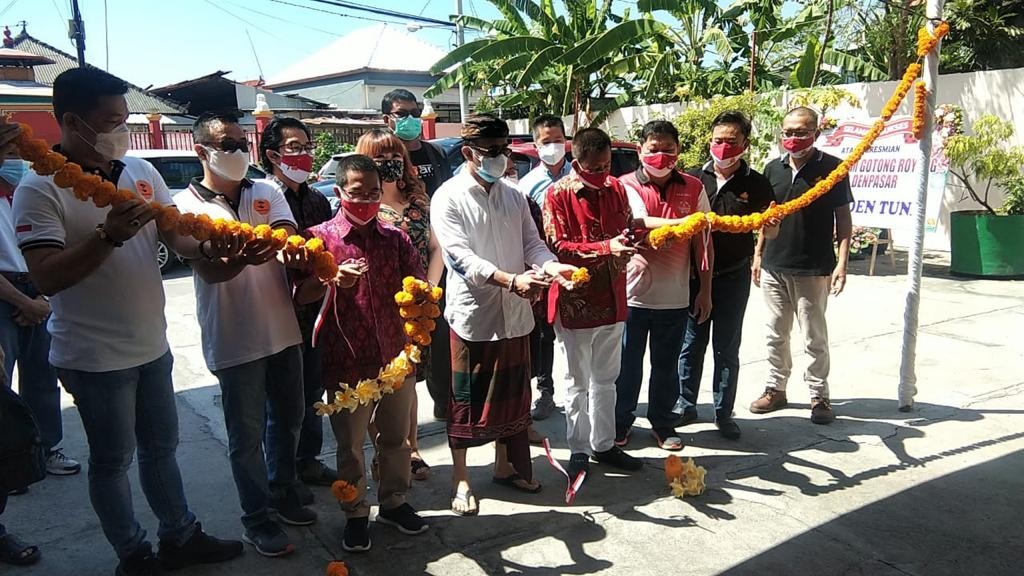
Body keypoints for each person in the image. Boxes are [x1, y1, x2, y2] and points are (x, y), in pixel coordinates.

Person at [12, 68, 242, 576]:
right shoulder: (40, 187)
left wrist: (212, 245)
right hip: (93, 358)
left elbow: (177, 238)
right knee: (112, 462)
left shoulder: (138, 169)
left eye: (125, 118)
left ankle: (180, 534)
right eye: (112, 120)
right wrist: (106, 237)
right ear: (73, 121)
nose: (122, 129)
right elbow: (47, 277)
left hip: (152, 346)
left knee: (162, 450)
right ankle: (134, 554)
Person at [174, 111, 315, 558]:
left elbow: (287, 237)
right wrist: (247, 254)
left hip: (281, 327)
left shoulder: (266, 190)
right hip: (233, 337)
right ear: (202, 151)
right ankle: (257, 517)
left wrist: (263, 246)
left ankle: (283, 489)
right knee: (246, 435)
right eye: (227, 144)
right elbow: (209, 269)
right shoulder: (184, 207)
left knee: (291, 418)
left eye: (241, 142)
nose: (238, 152)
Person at [432, 114, 577, 516]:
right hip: (473, 316)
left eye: (503, 151)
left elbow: (534, 244)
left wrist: (552, 267)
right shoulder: (447, 197)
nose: (499, 158)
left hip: (516, 313)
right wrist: (509, 281)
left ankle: (504, 466)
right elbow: (459, 257)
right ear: (468, 153)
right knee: (465, 401)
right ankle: (461, 478)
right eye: (490, 152)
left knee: (515, 397)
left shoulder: (514, 195)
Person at [296, 154, 429, 553]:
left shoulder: (395, 237)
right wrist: (331, 279)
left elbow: (418, 285)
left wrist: (423, 306)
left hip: (394, 357)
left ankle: (393, 501)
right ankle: (355, 512)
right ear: (339, 192)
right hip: (345, 361)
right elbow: (299, 296)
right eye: (357, 193)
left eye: (373, 193)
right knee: (350, 446)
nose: (367, 201)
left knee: (396, 439)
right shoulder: (317, 239)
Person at [543, 127, 643, 481]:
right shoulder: (556, 194)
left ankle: (604, 444)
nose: (602, 175)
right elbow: (556, 247)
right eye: (594, 169)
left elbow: (628, 228)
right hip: (576, 304)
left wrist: (631, 242)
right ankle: (579, 450)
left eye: (606, 166)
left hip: (614, 298)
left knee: (607, 380)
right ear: (577, 162)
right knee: (576, 383)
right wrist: (605, 248)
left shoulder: (617, 188)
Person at [750, 106, 853, 425]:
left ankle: (819, 395)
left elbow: (843, 219)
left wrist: (842, 263)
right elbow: (766, 217)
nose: (793, 138)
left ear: (816, 134)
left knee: (813, 336)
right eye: (788, 132)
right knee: (775, 333)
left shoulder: (834, 169)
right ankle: (776, 388)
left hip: (813, 267)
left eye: (801, 132)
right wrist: (758, 253)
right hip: (774, 266)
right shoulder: (772, 169)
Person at [614, 120, 712, 452]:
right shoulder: (624, 185)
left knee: (666, 367)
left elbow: (704, 242)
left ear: (678, 151)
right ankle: (620, 422)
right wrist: (683, 222)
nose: (660, 155)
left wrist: (705, 289)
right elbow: (637, 222)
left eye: (668, 149)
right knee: (626, 366)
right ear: (640, 150)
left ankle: (662, 422)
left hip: (675, 297)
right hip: (632, 296)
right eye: (653, 149)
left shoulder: (695, 187)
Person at [680, 111, 774, 440]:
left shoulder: (757, 183)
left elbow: (769, 229)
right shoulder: (692, 179)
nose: (722, 147)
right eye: (718, 140)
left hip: (734, 275)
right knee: (691, 343)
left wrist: (768, 235)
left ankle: (723, 412)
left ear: (745, 145)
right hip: (693, 275)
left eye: (730, 142)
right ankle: (685, 404)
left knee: (726, 346)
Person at [355, 129, 443, 481]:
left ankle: (412, 450)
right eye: (379, 158)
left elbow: (436, 249)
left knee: (409, 382)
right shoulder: (365, 207)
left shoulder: (420, 201)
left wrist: (428, 290)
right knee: (376, 383)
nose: (389, 163)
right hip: (376, 308)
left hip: (416, 308)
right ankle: (383, 450)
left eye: (394, 156)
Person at [259, 117, 337, 495]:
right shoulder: (263, 197)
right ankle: (281, 477)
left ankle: (308, 460)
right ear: (272, 154)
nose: (304, 154)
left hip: (315, 310)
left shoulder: (316, 198)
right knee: (282, 405)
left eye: (307, 146)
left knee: (311, 393)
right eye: (294, 147)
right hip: (277, 312)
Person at [0, 148, 80, 478]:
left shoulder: (27, 191)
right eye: (6, 152)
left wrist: (41, 297)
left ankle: (45, 449)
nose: (13, 160)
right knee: (2, 384)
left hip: (36, 287)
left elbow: (48, 251)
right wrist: (22, 301)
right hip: (6, 293)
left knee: (43, 378)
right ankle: (9, 461)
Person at [381, 88, 453, 421]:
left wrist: (431, 282)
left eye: (414, 112)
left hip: (436, 265)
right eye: (401, 113)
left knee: (439, 341)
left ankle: (444, 402)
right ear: (387, 119)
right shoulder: (380, 162)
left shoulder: (435, 154)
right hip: (393, 283)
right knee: (403, 356)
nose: (409, 119)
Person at [517, 114, 570, 424]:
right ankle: (545, 390)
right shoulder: (526, 186)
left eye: (558, 140)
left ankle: (585, 391)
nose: (553, 147)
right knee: (543, 334)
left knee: (577, 331)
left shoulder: (579, 176)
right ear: (535, 146)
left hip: (574, 264)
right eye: (546, 142)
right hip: (541, 267)